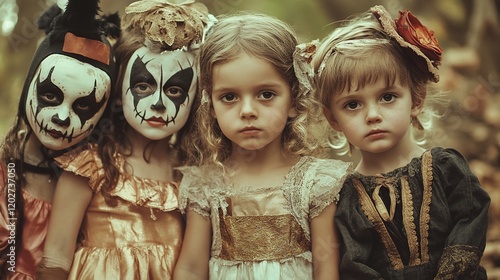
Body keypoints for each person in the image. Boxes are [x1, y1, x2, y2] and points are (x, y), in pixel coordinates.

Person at [309, 5, 490, 279]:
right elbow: (355, 265)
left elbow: (469, 225)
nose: (372, 115)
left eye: (387, 97)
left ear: (416, 99)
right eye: (353, 104)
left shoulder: (446, 168)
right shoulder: (346, 197)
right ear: (333, 119)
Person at [36, 1, 213, 279]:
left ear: (193, 99)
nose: (158, 104)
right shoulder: (89, 165)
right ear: (118, 90)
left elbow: (192, 268)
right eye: (143, 85)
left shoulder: (190, 175)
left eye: (175, 89)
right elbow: (56, 257)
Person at [173, 12, 351, 280]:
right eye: (229, 97)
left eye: (266, 95)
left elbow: (325, 270)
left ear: (294, 100)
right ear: (210, 104)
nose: (247, 111)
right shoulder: (206, 185)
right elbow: (190, 269)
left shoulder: (316, 183)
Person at [0, 0, 118, 278]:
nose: (62, 118)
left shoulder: (102, 180)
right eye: (51, 96)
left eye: (84, 107)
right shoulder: (6, 171)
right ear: (30, 87)